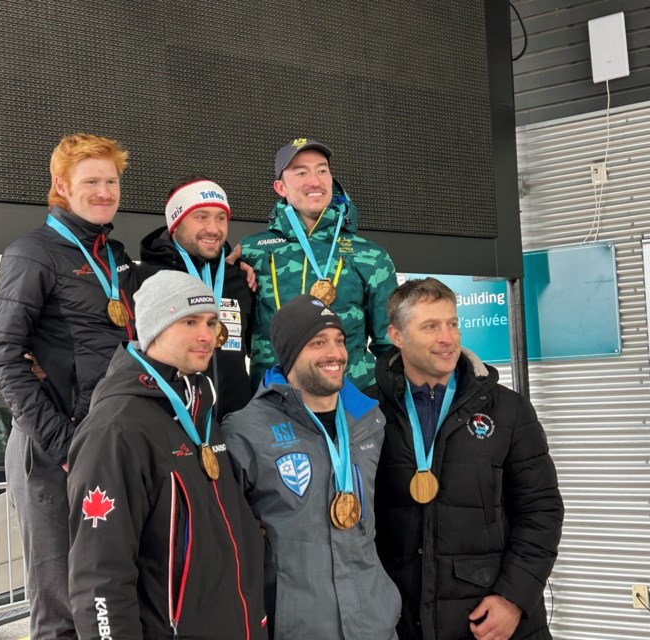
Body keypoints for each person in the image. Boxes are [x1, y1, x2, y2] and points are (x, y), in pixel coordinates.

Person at [0, 133, 138, 639]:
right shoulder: (32, 254)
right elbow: (3, 357)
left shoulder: (115, 258)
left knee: (107, 591)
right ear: (61, 187)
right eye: (91, 181)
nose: (104, 191)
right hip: (52, 450)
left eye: (111, 181)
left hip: (104, 445)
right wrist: (63, 441)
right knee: (60, 608)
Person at [67, 271, 267, 640]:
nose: (207, 335)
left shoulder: (199, 408)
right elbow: (100, 574)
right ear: (155, 328)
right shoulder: (116, 428)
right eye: (189, 322)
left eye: (211, 322)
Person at [373, 278, 564, 640]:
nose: (448, 338)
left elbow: (542, 511)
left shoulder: (508, 410)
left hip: (490, 623)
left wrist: (513, 599)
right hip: (400, 621)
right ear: (397, 336)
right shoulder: (366, 413)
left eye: (452, 323)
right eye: (431, 326)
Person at [221, 294, 401, 640]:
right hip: (296, 627)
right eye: (318, 343)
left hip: (375, 626)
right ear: (289, 353)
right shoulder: (244, 431)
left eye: (338, 340)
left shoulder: (369, 420)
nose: (335, 354)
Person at [238, 138, 398, 393]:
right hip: (274, 402)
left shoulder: (369, 255)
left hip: (351, 402)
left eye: (322, 170)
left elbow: (389, 345)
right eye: (301, 172)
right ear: (280, 187)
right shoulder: (251, 251)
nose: (315, 180)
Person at [138, 175, 254, 419]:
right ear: (176, 223)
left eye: (221, 218)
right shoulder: (145, 279)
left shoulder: (240, 280)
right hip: (170, 424)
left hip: (233, 423)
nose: (213, 228)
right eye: (201, 216)